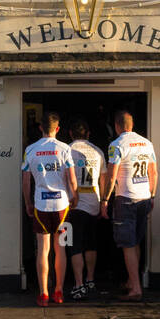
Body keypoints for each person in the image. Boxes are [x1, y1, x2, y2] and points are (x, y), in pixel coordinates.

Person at [100, 110, 158, 302]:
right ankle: (132, 281)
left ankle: (135, 288)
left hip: (125, 198)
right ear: (131, 126)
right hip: (144, 197)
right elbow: (154, 173)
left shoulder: (116, 145)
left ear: (117, 126)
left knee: (127, 244)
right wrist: (152, 196)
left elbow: (111, 176)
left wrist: (105, 200)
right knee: (136, 241)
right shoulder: (147, 143)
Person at [20, 112, 77, 306]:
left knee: (43, 250)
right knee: (60, 248)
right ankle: (59, 291)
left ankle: (43, 292)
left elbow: (26, 180)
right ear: (58, 129)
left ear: (40, 128)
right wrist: (74, 197)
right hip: (62, 206)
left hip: (40, 205)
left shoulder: (30, 150)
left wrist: (27, 202)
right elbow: (72, 178)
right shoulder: (64, 149)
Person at [67, 119, 105, 300]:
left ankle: (78, 284)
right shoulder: (98, 152)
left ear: (70, 134)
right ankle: (90, 280)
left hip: (73, 205)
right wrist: (104, 201)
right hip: (93, 203)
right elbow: (103, 180)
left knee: (74, 245)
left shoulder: (66, 151)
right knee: (91, 243)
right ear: (88, 134)